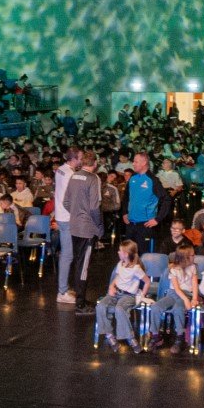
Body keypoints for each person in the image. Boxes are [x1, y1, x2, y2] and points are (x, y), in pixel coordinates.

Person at [64, 151, 104, 313]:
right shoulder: (93, 179)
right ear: (94, 163)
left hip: (74, 226)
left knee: (79, 262)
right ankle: (80, 304)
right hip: (87, 228)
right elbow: (95, 207)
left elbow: (66, 202)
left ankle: (80, 298)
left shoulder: (74, 176)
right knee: (84, 265)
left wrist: (76, 213)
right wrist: (99, 225)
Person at [95, 240, 151, 353]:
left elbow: (147, 282)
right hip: (117, 293)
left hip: (128, 295)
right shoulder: (120, 264)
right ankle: (109, 335)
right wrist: (111, 286)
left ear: (126, 254)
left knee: (119, 309)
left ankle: (131, 338)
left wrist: (142, 295)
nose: (118, 252)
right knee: (100, 306)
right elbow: (117, 277)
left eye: (120, 251)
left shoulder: (136, 269)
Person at [151, 245, 199, 353]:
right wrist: (186, 300)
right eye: (192, 255)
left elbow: (195, 284)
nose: (194, 256)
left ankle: (180, 337)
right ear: (185, 258)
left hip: (187, 294)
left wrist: (194, 299)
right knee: (155, 307)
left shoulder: (193, 267)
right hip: (173, 294)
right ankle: (156, 336)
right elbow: (176, 289)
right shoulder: (173, 269)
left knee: (178, 309)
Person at [121, 152, 168, 254]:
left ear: (144, 162)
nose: (133, 164)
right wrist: (124, 212)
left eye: (136, 161)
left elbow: (166, 200)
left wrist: (157, 219)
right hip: (130, 224)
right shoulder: (132, 178)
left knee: (144, 258)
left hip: (145, 225)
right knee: (129, 256)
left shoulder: (153, 180)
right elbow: (126, 197)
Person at [53, 148, 81, 304]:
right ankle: (62, 292)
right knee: (67, 255)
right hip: (68, 218)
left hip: (61, 216)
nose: (81, 160)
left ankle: (64, 287)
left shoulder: (60, 170)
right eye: (80, 158)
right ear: (74, 159)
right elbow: (70, 199)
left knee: (66, 254)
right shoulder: (70, 174)